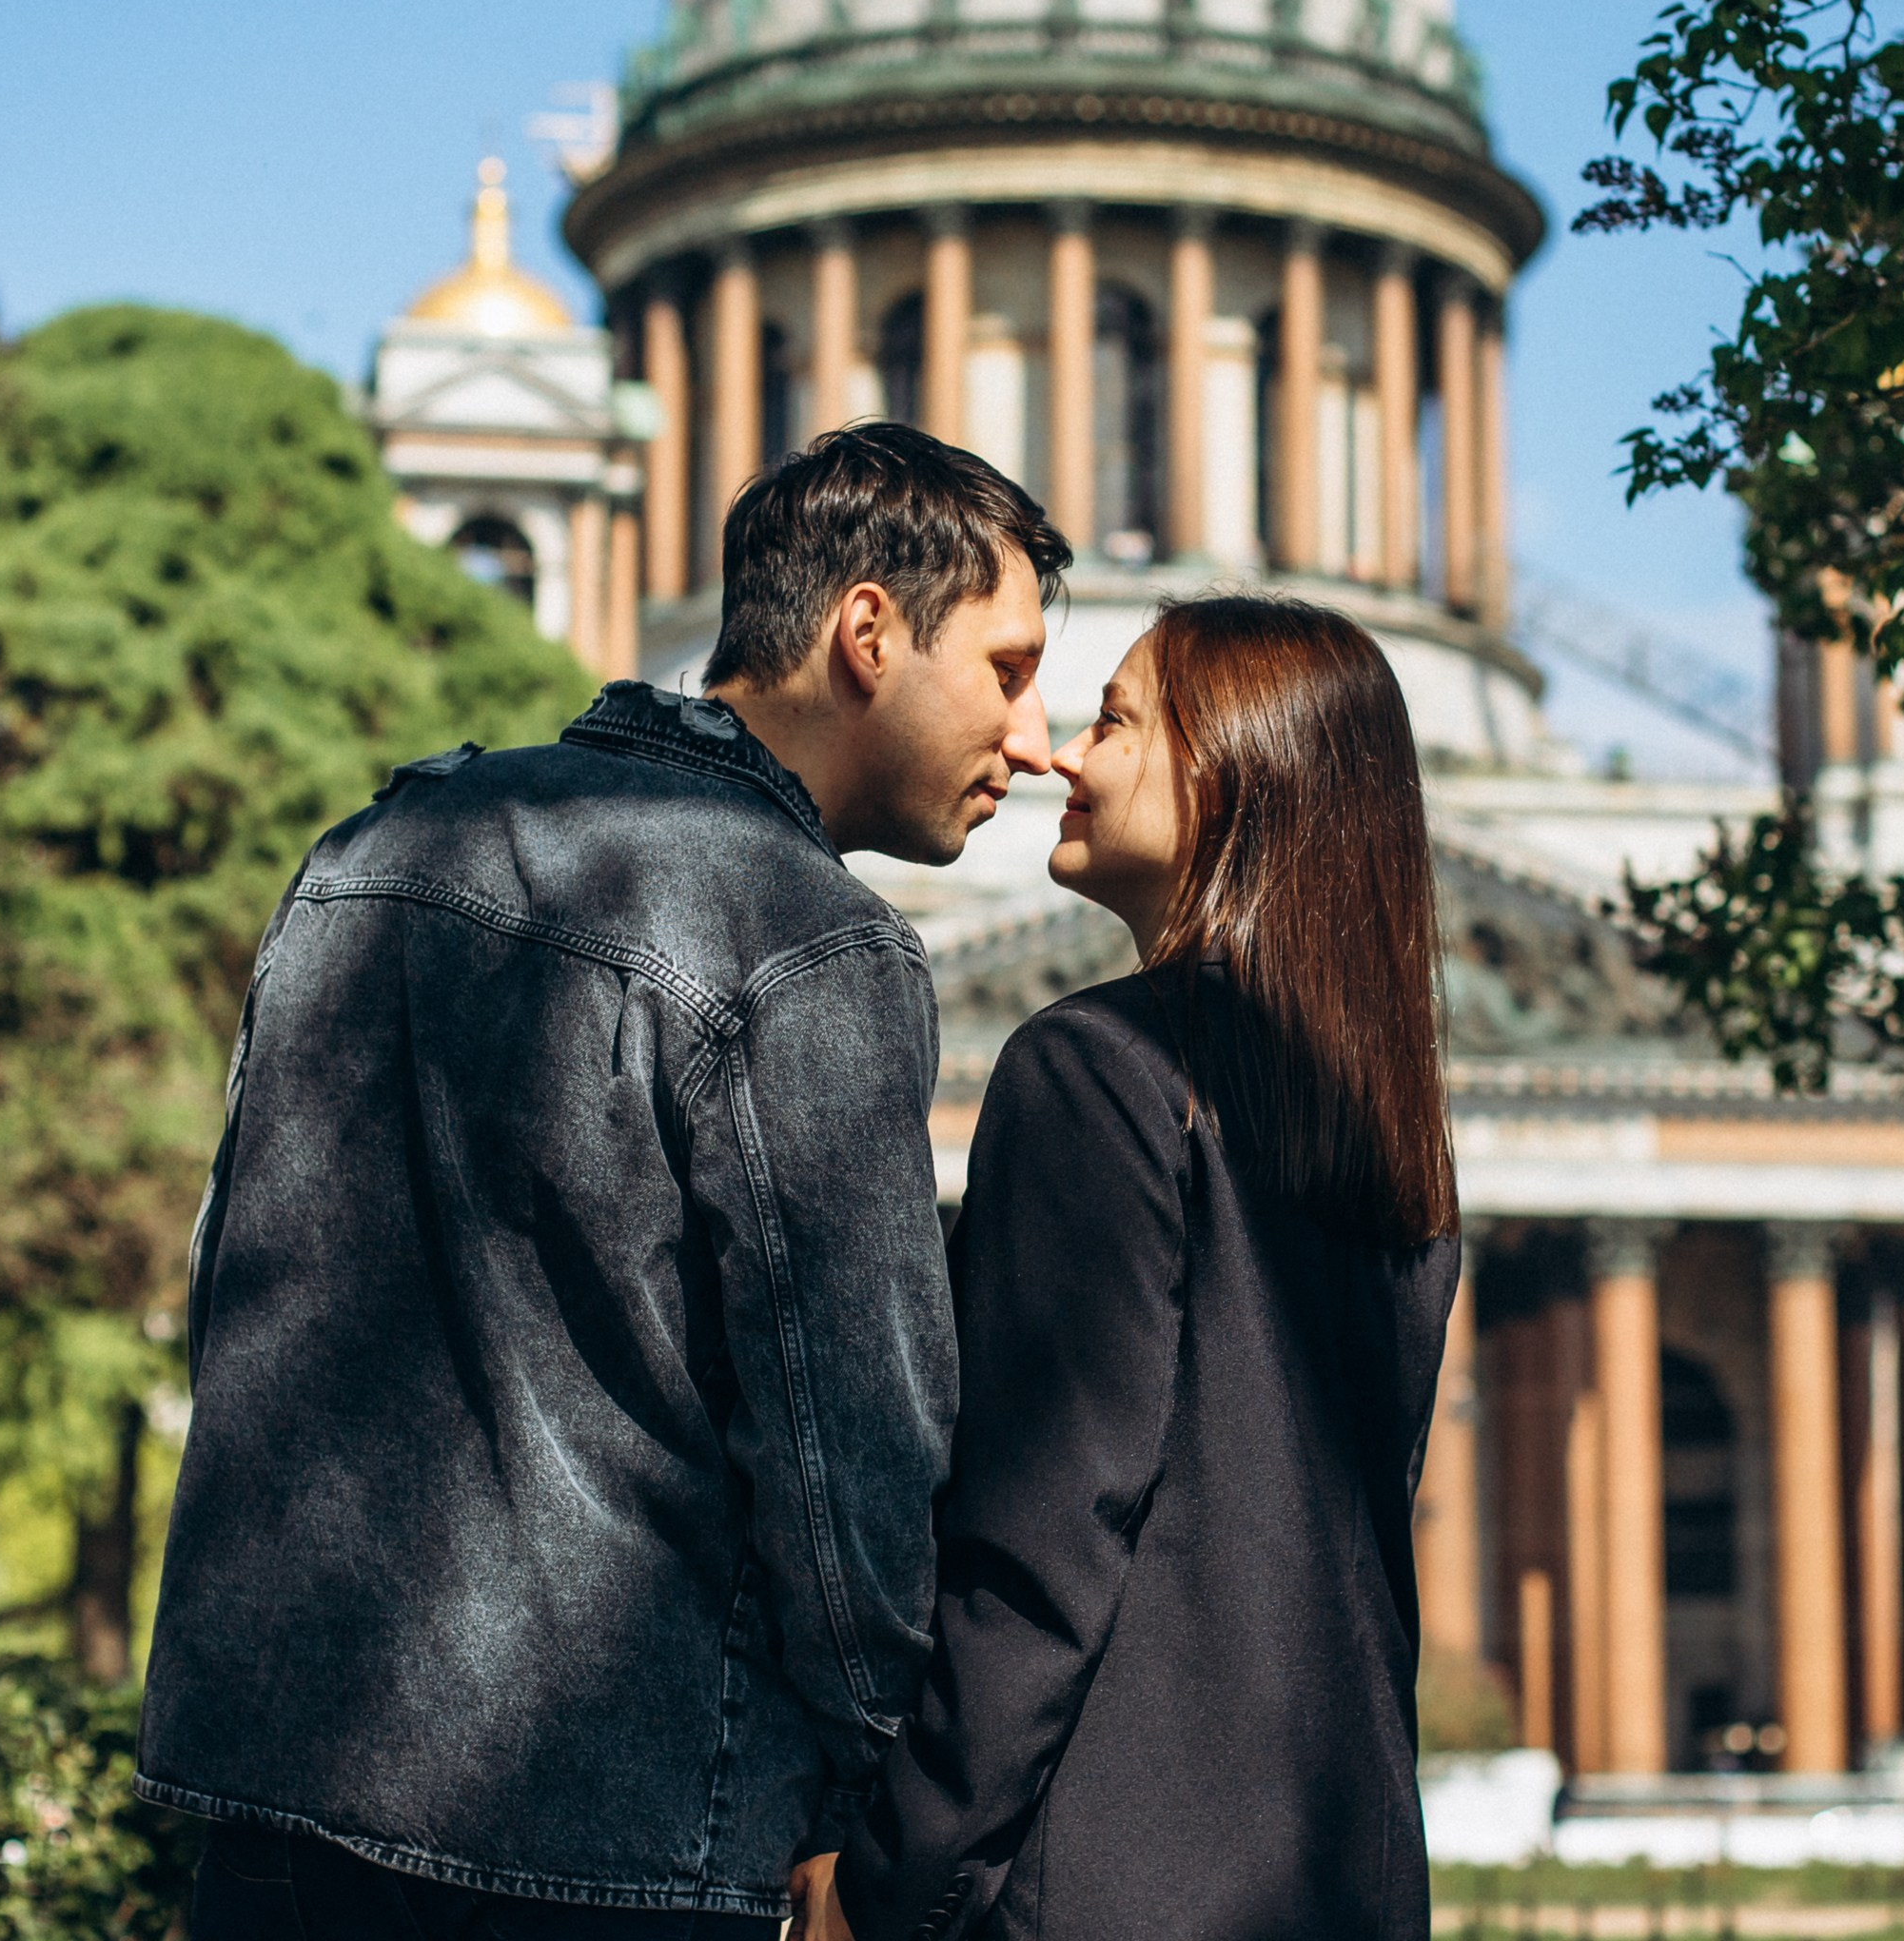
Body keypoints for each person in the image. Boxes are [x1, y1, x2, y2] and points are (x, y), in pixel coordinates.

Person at [137, 422, 1070, 1940]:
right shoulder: (808, 941)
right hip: (612, 1832)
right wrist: (877, 1802)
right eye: (1012, 671)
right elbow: (852, 1455)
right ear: (868, 634)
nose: (1033, 740)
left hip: (278, 1799)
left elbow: (239, 1289)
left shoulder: (366, 853)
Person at [794, 595, 1461, 1941]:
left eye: (1113, 723)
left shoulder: (1101, 1072)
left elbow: (1042, 1541)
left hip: (1106, 1878)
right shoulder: (1390, 1135)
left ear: (1227, 771)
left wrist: (890, 1871)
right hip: (1344, 1879)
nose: (1062, 757)